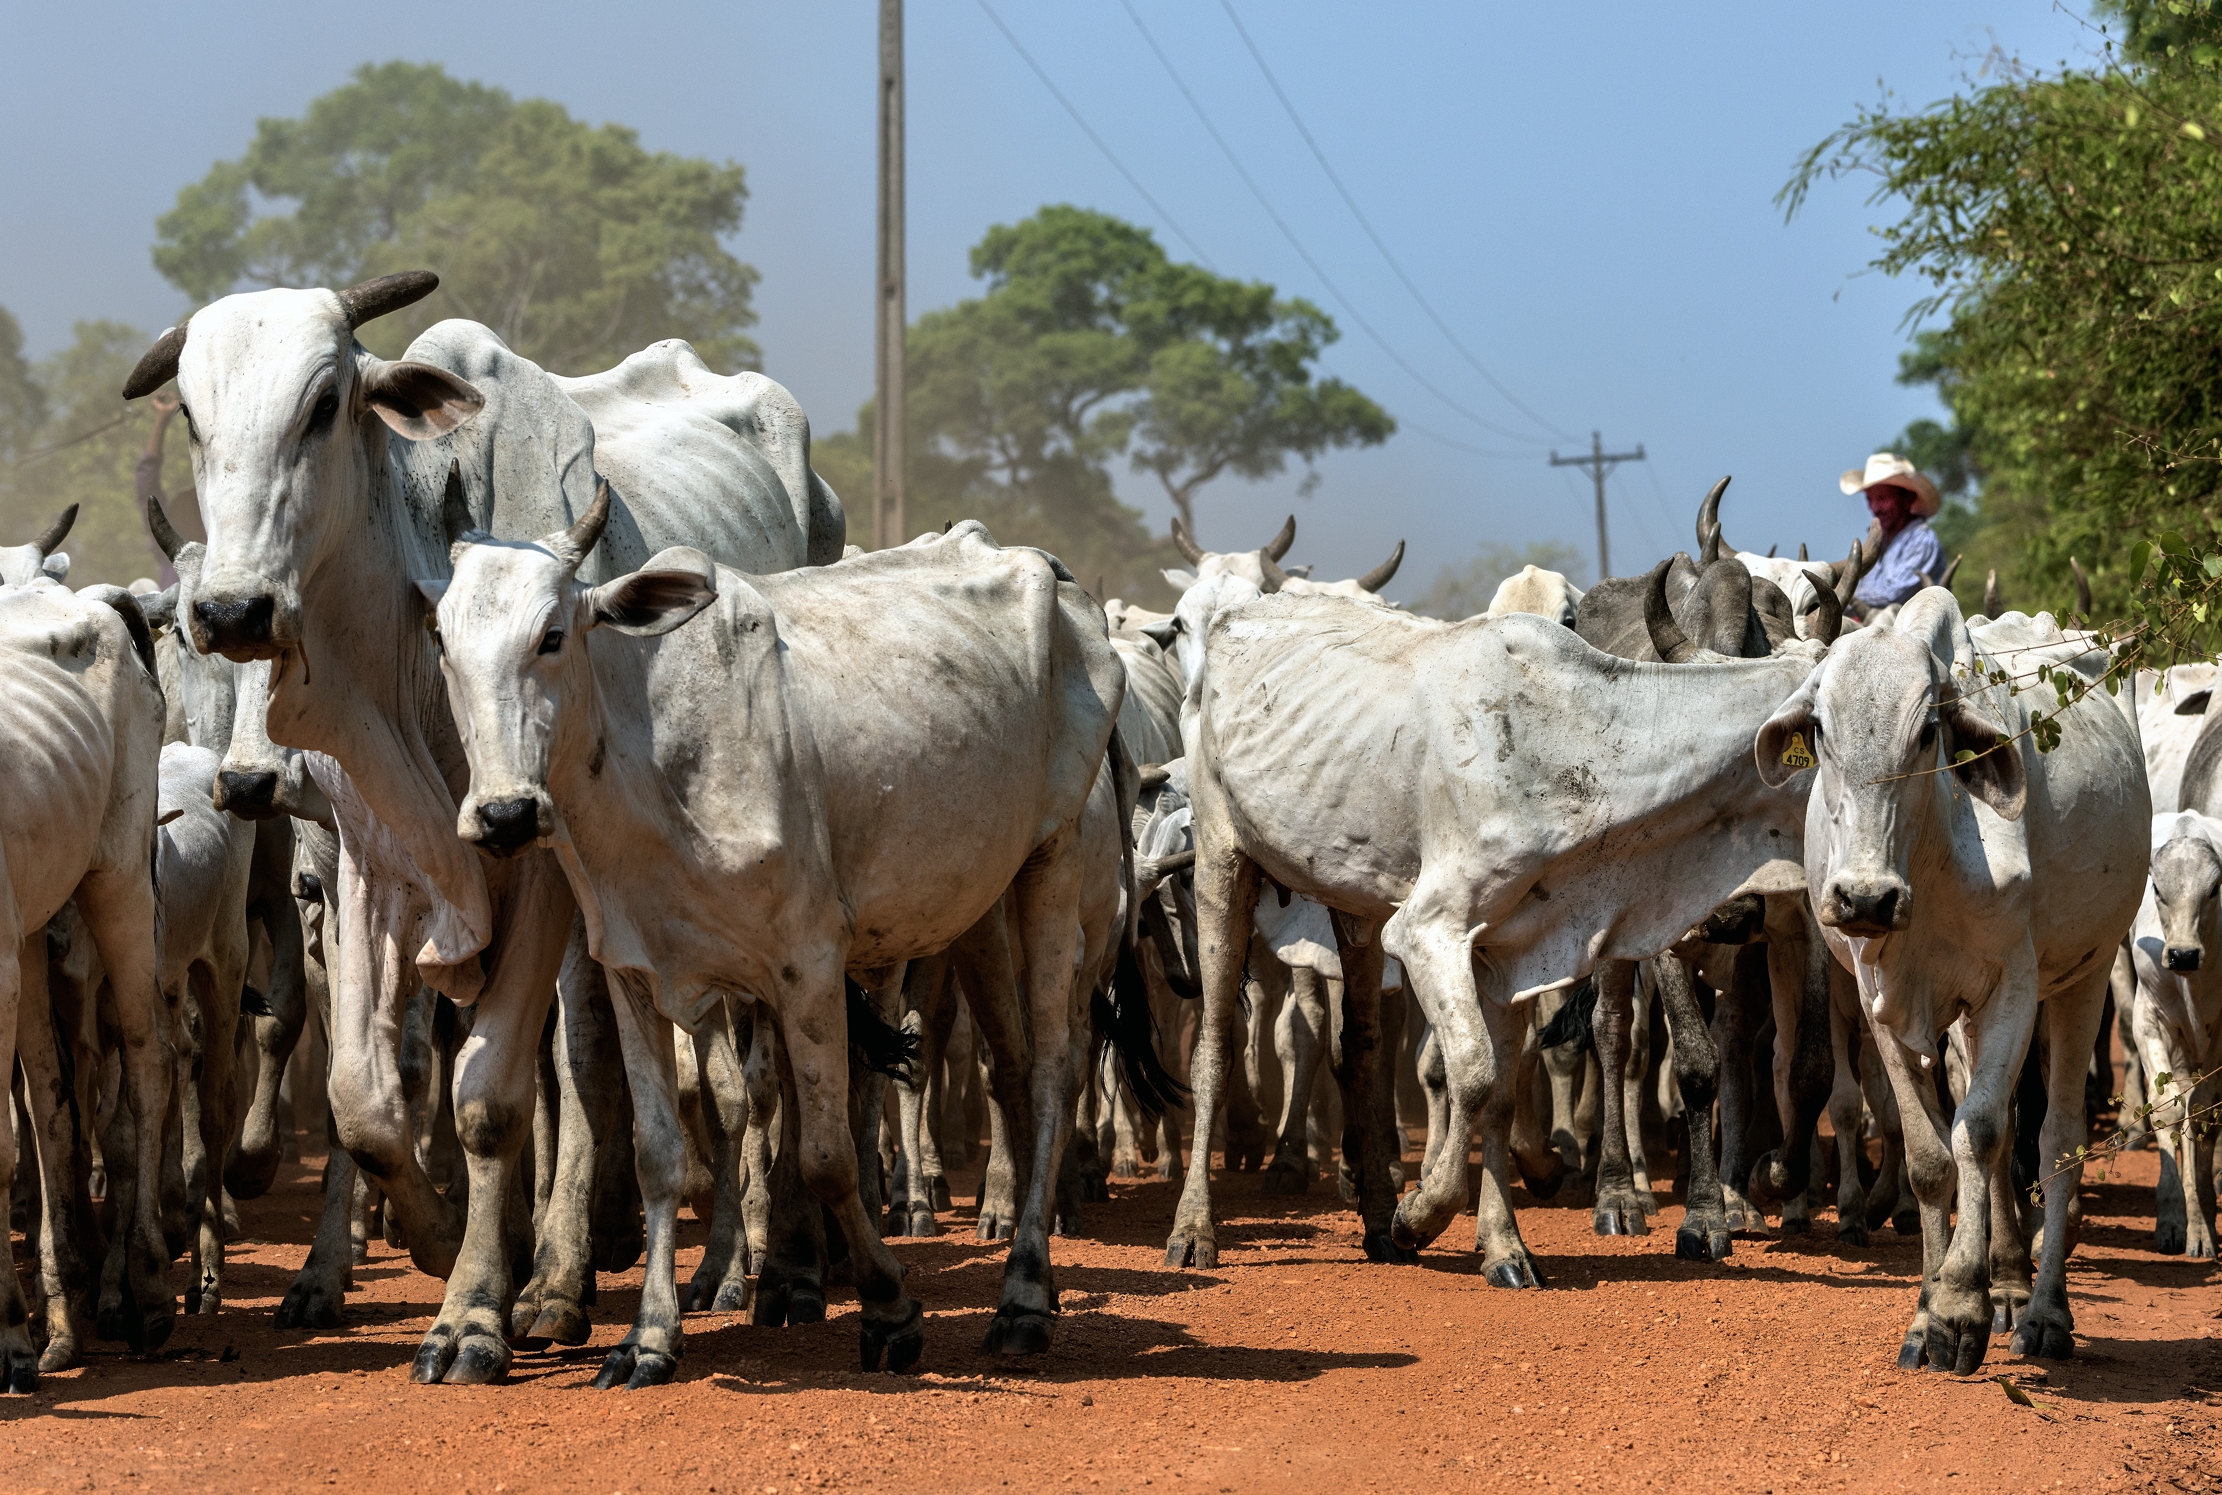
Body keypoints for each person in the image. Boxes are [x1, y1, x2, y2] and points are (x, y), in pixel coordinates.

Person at [1840, 452, 1944, 614]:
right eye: (1870, 500)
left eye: (1882, 498)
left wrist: (1836, 598)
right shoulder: (1878, 542)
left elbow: (1891, 596)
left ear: (1907, 499)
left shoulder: (1921, 540)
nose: (1875, 508)